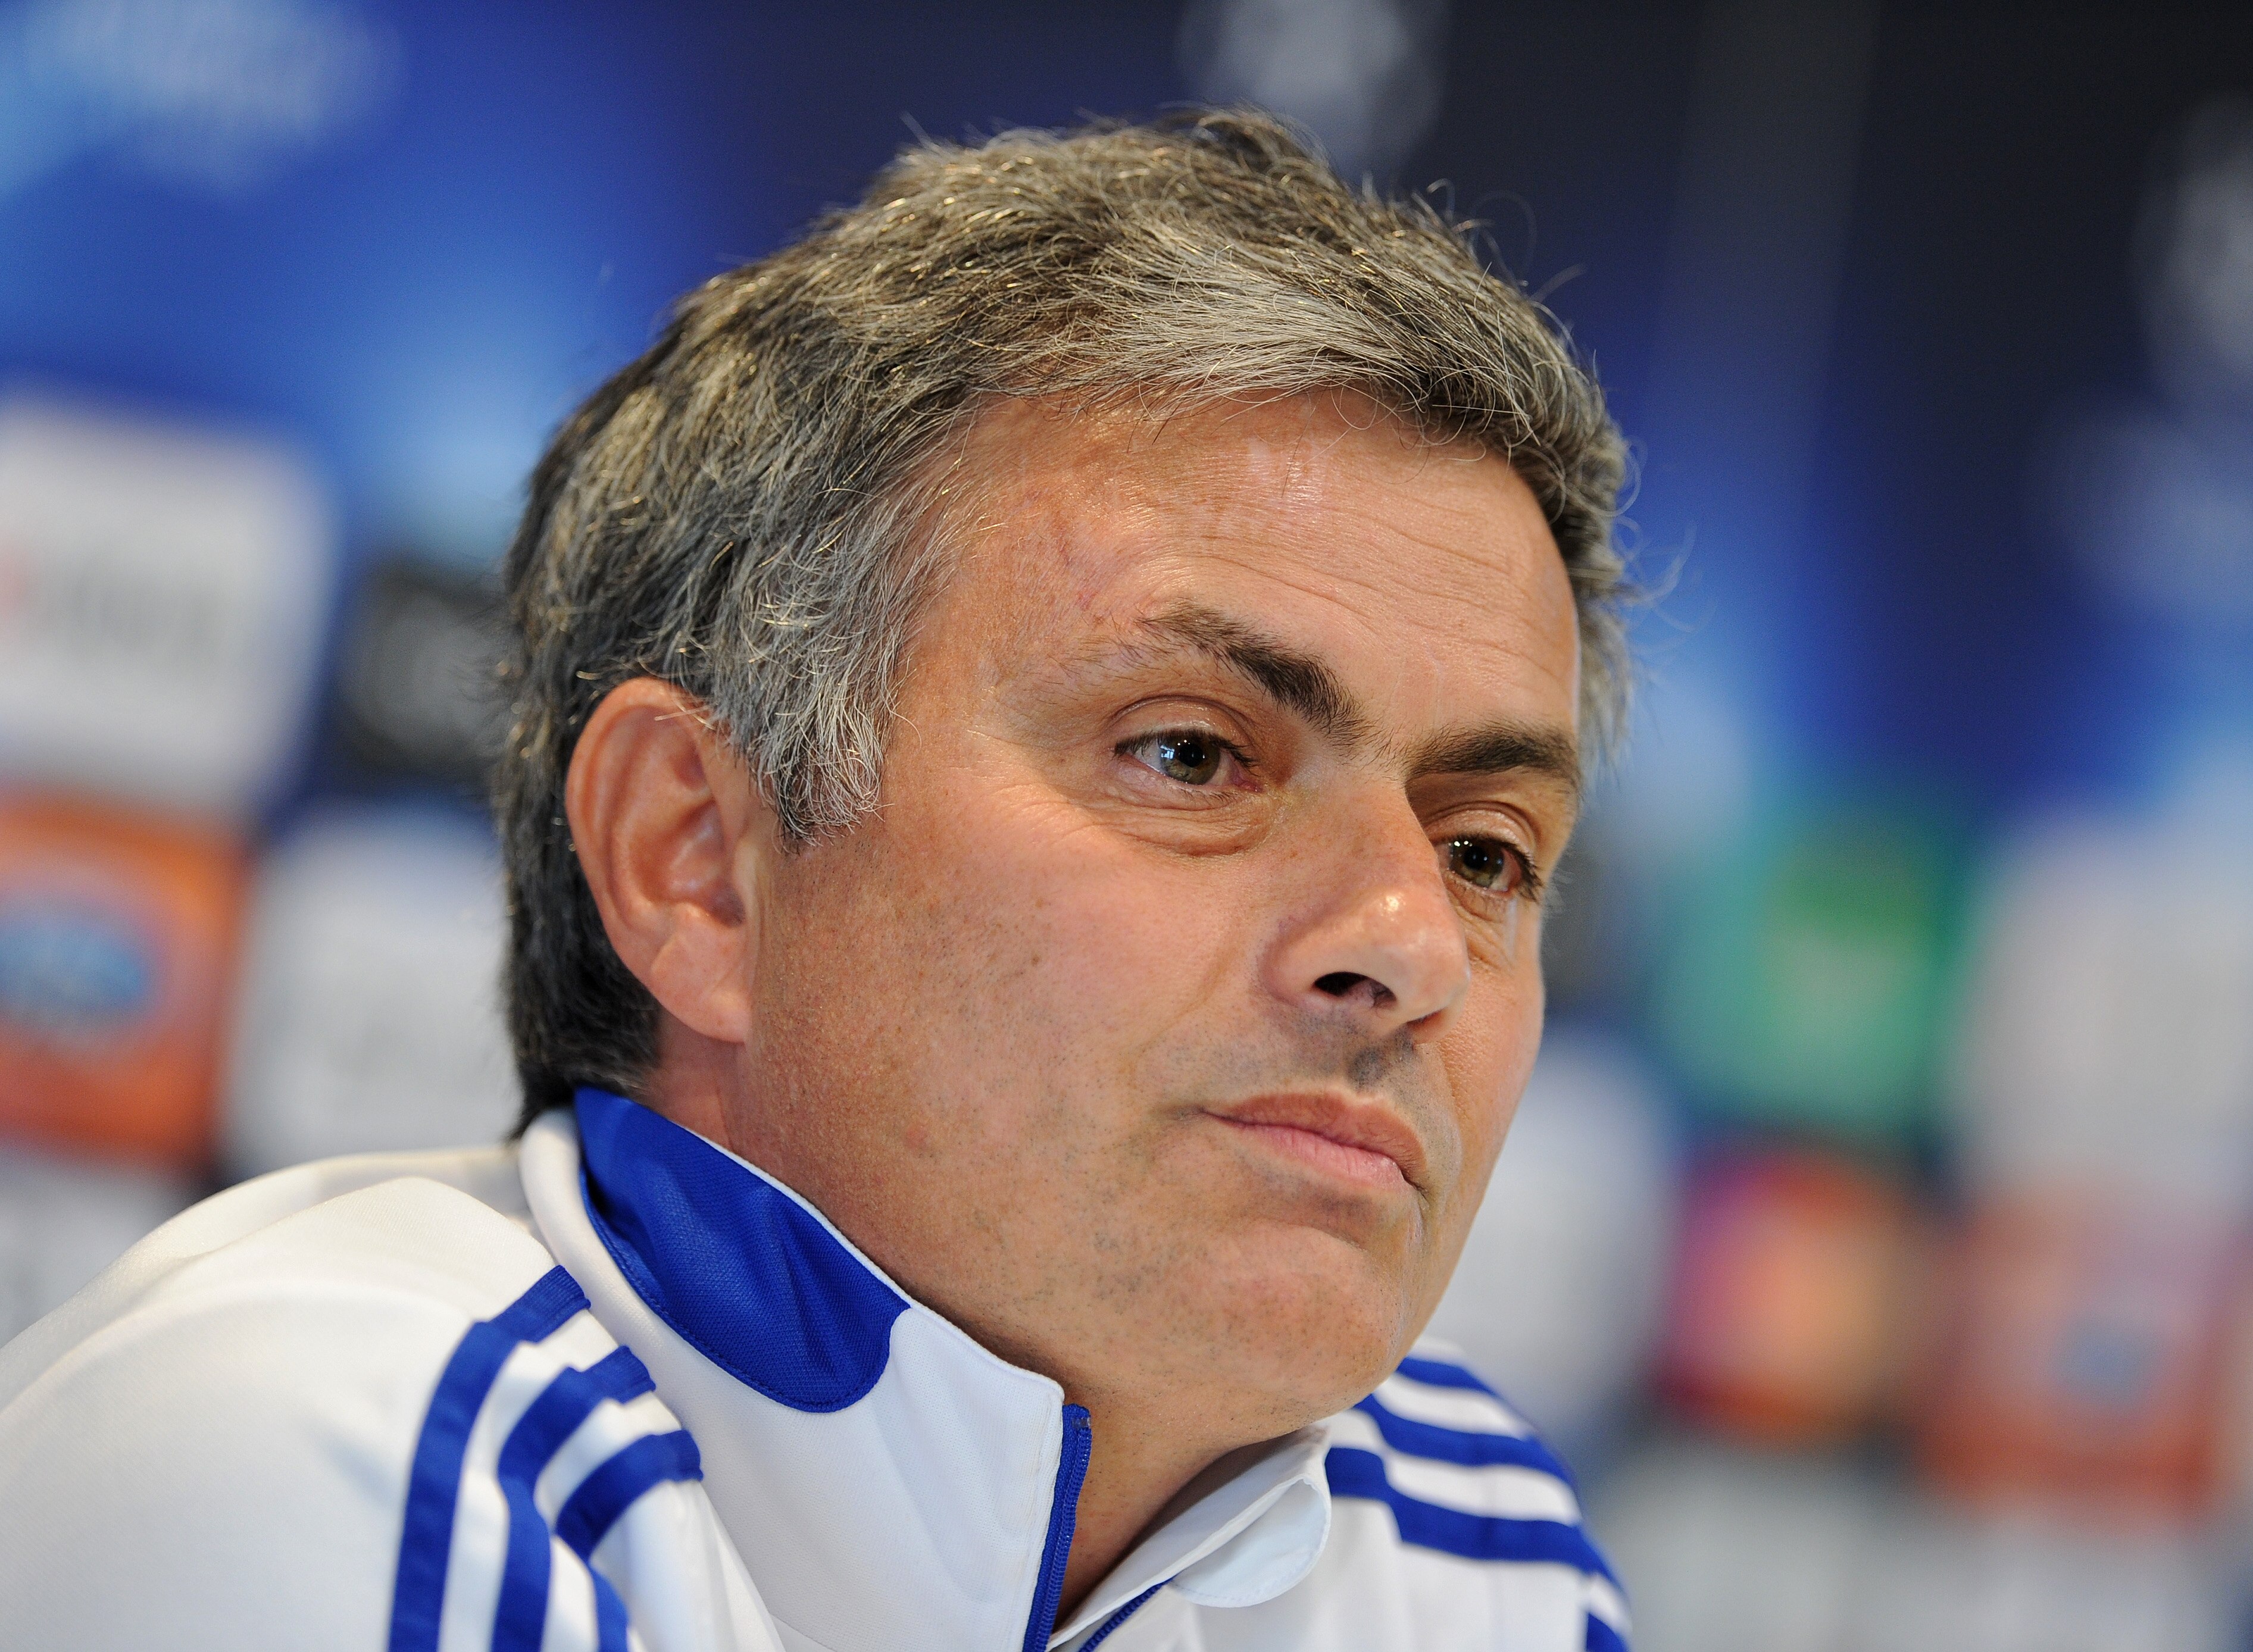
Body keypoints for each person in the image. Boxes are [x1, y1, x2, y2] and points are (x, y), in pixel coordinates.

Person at [0, 110, 1633, 1651]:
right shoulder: (330, 1449)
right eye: (1191, 757)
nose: (1410, 942)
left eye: (1483, 851)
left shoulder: (1463, 1552)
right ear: (698, 863)